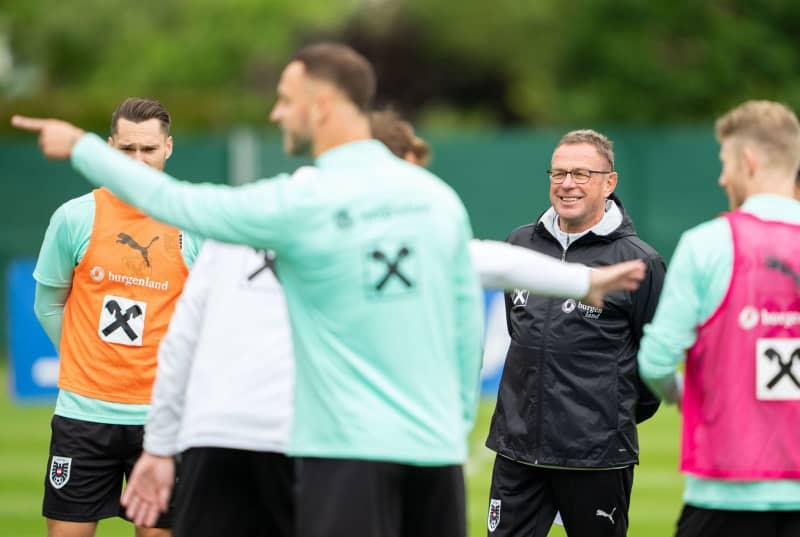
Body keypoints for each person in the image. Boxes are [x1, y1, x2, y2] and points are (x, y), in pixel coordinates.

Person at [13, 42, 483, 537]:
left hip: (335, 445)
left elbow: (184, 216)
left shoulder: (296, 200)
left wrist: (80, 148)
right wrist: (458, 419)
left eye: (284, 98)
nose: (275, 112)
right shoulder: (436, 201)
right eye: (124, 149)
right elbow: (471, 310)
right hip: (427, 445)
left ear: (319, 107)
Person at [31, 97, 201, 537]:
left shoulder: (192, 223)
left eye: (148, 149)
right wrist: (83, 362)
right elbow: (48, 303)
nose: (138, 161)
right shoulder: (74, 217)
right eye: (127, 150)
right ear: (109, 149)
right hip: (83, 417)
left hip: (161, 420)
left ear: (168, 148)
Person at [483, 129, 666, 537]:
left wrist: (608, 417)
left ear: (609, 182)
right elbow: (520, 332)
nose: (567, 184)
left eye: (582, 173)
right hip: (518, 450)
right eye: (559, 173)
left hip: (596, 456)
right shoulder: (519, 244)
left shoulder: (639, 261)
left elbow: (651, 360)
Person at [638, 100, 800, 537]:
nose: (721, 177)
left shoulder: (706, 244)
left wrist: (680, 394)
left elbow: (655, 361)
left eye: (725, 163)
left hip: (724, 492)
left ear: (748, 162)